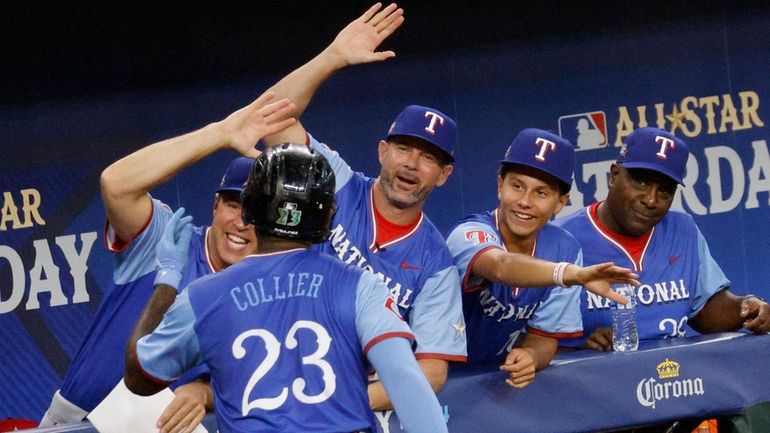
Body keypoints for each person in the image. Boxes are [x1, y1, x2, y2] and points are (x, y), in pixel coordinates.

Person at [125, 143, 449, 433]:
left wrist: (167, 279)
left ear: (251, 210)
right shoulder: (361, 285)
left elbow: (140, 377)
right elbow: (405, 379)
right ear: (326, 215)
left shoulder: (202, 297)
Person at [40, 91, 296, 431]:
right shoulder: (169, 239)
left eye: (257, 211)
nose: (242, 222)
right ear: (216, 205)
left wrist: (204, 393)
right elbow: (115, 185)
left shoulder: (272, 289)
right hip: (77, 424)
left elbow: (264, 381)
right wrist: (219, 134)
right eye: (235, 205)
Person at [259, 3, 467, 410]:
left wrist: (335, 403)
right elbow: (270, 118)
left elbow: (431, 374)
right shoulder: (335, 182)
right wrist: (332, 57)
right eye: (403, 148)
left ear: (443, 175)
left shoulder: (435, 265)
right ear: (382, 152)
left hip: (345, 401)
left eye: (428, 158)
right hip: (274, 364)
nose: (411, 163)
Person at [445, 128, 638, 388]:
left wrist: (531, 357)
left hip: (487, 382)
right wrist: (571, 275)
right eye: (517, 186)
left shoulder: (564, 248)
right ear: (500, 185)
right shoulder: (470, 233)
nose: (525, 201)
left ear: (561, 202)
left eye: (541, 193)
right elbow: (501, 266)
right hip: (427, 374)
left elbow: (543, 340)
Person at [556, 126, 770, 353]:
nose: (651, 200)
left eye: (664, 191)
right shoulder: (562, 238)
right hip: (593, 383)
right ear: (614, 176)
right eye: (641, 183)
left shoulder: (682, 229)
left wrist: (747, 307)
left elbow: (705, 311)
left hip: (672, 380)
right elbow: (525, 338)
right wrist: (578, 347)